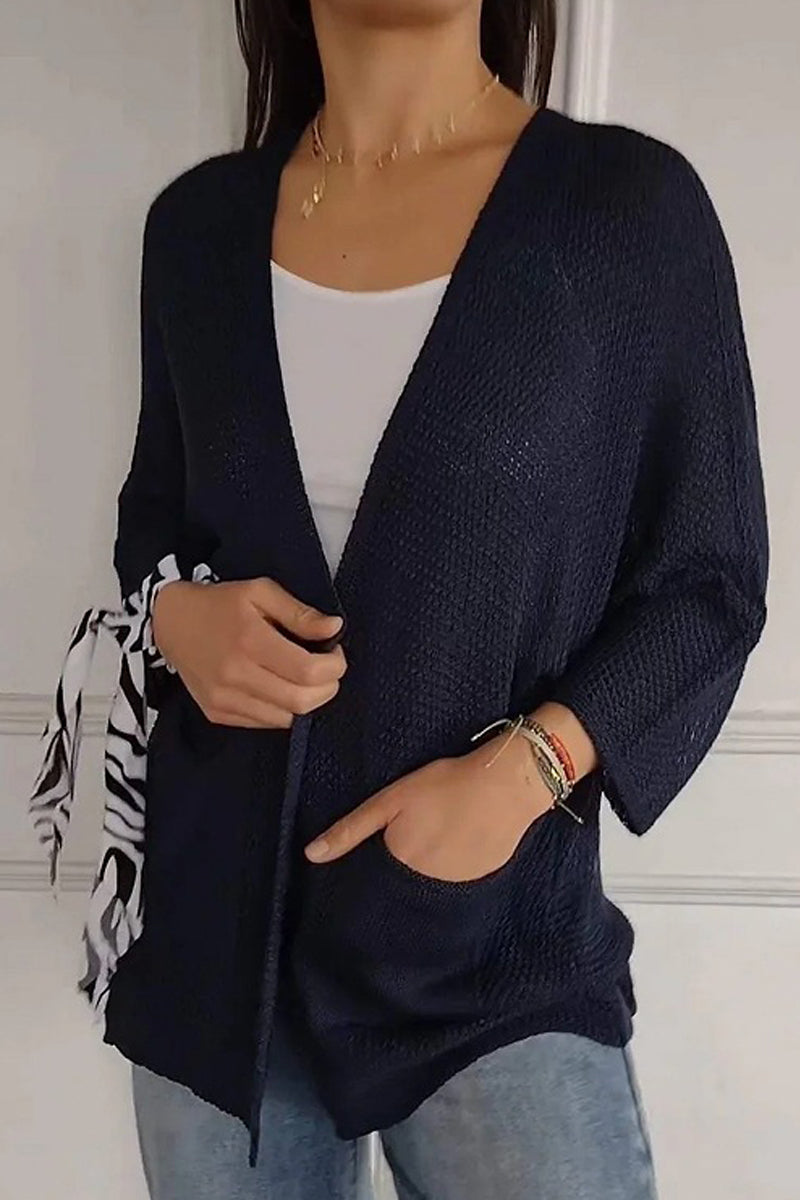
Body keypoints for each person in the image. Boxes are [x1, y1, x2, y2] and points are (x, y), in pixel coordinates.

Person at [30, 1, 769, 1197]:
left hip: (491, 948)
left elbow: (708, 581)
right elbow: (153, 522)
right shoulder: (198, 229)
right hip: (220, 952)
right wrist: (175, 621)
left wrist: (523, 774)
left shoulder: (625, 213)